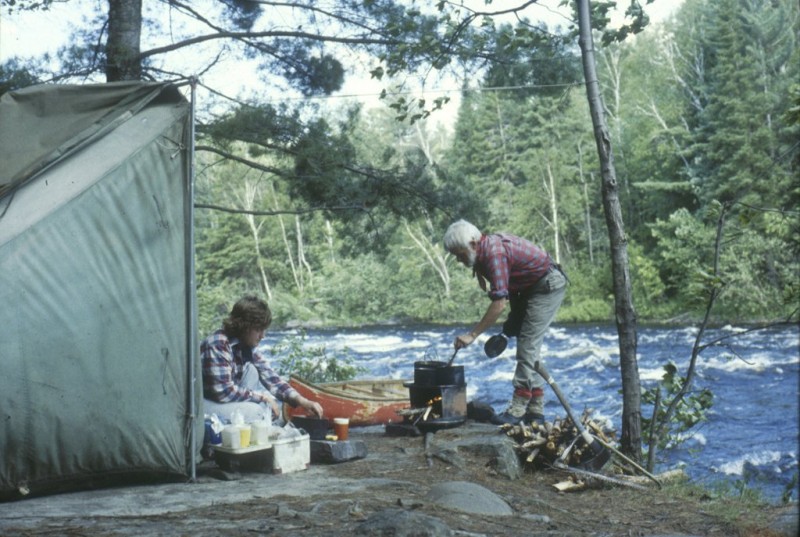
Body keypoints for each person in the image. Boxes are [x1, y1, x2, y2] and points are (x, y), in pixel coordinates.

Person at [443, 219, 567, 426]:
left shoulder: (494, 254)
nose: (458, 260)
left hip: (547, 286)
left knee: (527, 346)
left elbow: (499, 303)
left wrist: (472, 335)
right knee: (528, 347)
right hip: (527, 289)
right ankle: (535, 410)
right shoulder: (483, 252)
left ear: (473, 244)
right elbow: (508, 290)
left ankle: (518, 408)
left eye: (459, 254)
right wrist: (512, 321)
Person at [201, 295, 323, 424]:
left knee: (252, 370)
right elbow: (223, 392)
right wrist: (263, 398)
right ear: (244, 326)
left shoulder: (246, 345)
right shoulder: (218, 344)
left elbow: (271, 378)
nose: (263, 336)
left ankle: (245, 422)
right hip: (205, 405)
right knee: (258, 413)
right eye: (258, 330)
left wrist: (302, 401)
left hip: (224, 401)